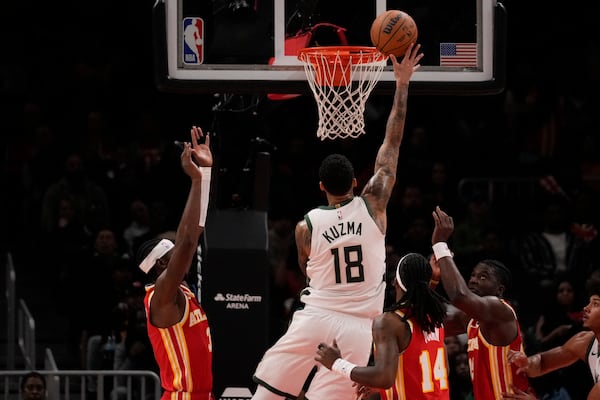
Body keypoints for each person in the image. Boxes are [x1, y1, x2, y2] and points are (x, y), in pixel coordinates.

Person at [251, 43, 424, 400]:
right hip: (360, 328)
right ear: (356, 182)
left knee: (266, 396)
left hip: (314, 317)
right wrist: (402, 83)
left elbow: (305, 268)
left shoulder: (307, 225)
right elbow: (391, 146)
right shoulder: (374, 205)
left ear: (321, 187)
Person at [136, 125, 214, 400]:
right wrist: (196, 181)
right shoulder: (161, 295)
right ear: (160, 266)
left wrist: (204, 174)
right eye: (172, 253)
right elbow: (188, 242)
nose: (182, 255)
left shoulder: (180, 290)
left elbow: (193, 231)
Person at [314, 252, 449, 400]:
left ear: (395, 281)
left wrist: (336, 363)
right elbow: (442, 370)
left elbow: (384, 378)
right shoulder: (435, 320)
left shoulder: (389, 322)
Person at [430, 206, 534, 399]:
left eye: (483, 277)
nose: (473, 280)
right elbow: (428, 326)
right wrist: (433, 281)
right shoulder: (469, 319)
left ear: (500, 289)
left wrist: (440, 244)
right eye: (472, 275)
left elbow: (459, 296)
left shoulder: (500, 309)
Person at [504, 277, 600, 400]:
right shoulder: (584, 341)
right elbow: (543, 362)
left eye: (596, 304)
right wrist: (527, 363)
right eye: (589, 302)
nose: (586, 308)